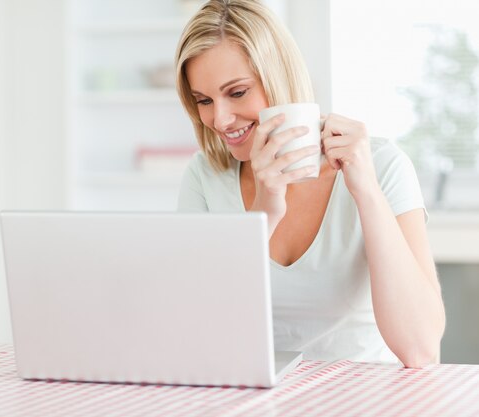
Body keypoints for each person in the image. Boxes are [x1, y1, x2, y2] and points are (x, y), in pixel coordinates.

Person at [174, 0, 445, 367]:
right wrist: (266, 209)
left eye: (237, 92)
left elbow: (420, 348)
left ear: (279, 77)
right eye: (203, 100)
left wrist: (366, 190)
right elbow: (198, 330)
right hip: (253, 396)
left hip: (364, 395)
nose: (220, 119)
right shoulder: (204, 177)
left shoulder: (382, 165)